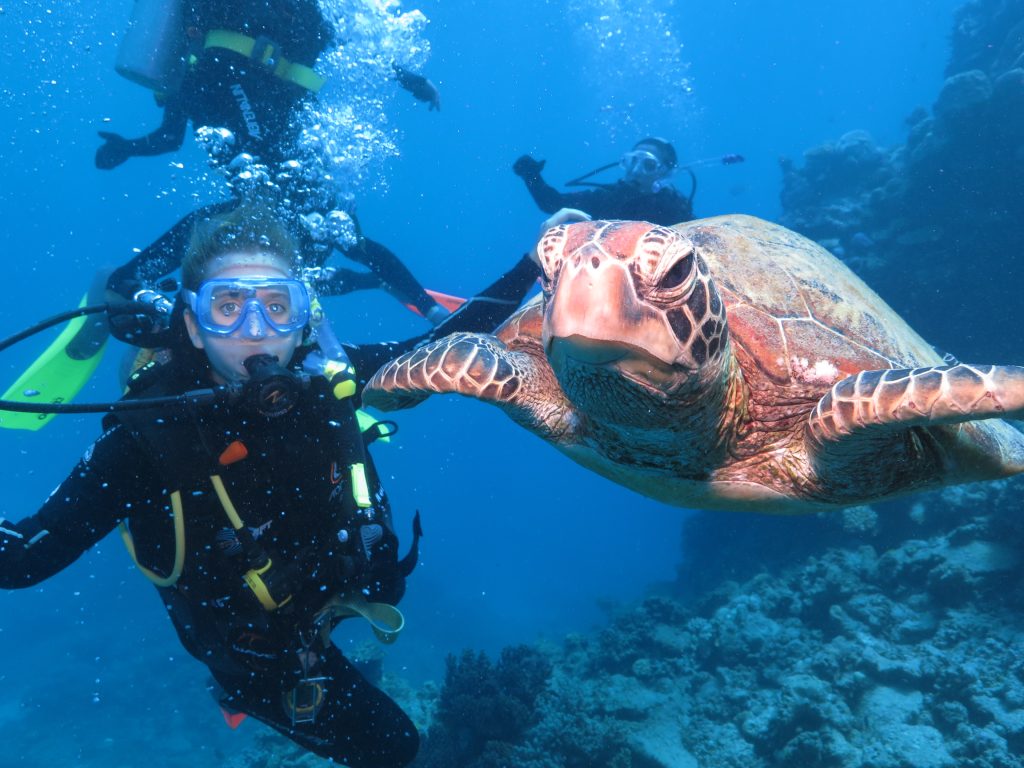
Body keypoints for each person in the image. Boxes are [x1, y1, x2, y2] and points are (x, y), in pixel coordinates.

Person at [0, 203, 542, 766]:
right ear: (194, 326)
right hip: (253, 649)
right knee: (393, 746)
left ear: (303, 319)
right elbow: (21, 559)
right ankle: (234, 694)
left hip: (326, 589)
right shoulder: (149, 439)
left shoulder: (325, 377)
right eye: (228, 307)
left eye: (277, 306)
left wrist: (534, 261)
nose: (256, 330)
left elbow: (449, 342)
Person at [96, 0, 448, 322]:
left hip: (243, 97)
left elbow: (168, 139)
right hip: (231, 82)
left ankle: (131, 282)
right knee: (290, 218)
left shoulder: (267, 25)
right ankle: (130, 281)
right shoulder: (239, 25)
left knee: (300, 232)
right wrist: (412, 80)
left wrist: (127, 148)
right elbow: (355, 38)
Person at [512, 137, 695, 227]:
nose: (635, 171)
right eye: (632, 161)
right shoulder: (607, 199)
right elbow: (552, 203)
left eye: (648, 165)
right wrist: (531, 176)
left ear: (666, 174)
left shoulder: (675, 209)